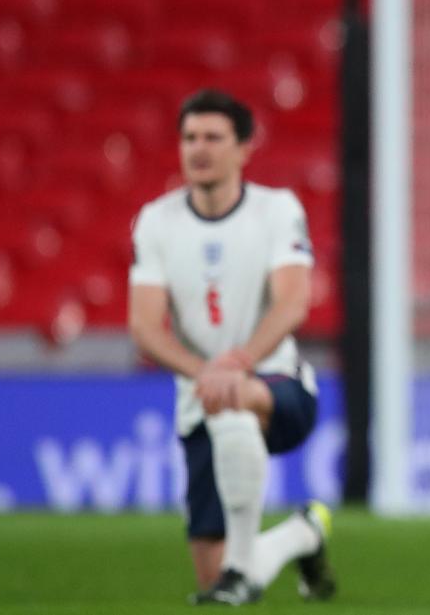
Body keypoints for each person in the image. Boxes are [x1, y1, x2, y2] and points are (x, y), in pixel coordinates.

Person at [127, 89, 335, 606]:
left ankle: (243, 573)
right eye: (190, 138)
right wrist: (207, 373)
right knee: (210, 576)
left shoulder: (276, 210)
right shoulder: (157, 221)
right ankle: (301, 535)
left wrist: (238, 365)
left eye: (214, 138)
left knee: (237, 401)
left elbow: (292, 303)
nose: (199, 149)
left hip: (278, 387)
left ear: (243, 149)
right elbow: (146, 328)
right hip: (200, 394)